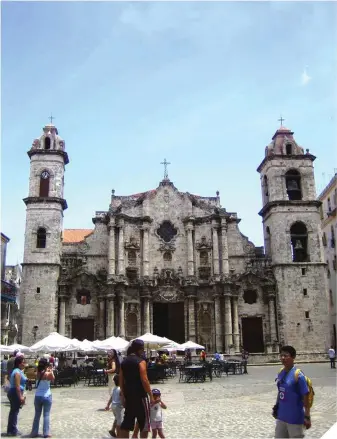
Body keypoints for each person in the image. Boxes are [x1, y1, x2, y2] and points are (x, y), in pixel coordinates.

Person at [119, 339, 154, 438]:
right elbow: (145, 380)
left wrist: (123, 394)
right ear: (141, 349)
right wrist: (151, 395)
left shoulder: (124, 361)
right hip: (141, 396)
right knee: (144, 424)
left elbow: (121, 379)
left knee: (127, 423)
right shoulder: (141, 361)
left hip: (129, 396)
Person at [273, 345, 311, 438]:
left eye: (286, 356)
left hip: (295, 418)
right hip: (281, 417)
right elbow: (280, 391)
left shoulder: (298, 375)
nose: (283, 358)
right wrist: (276, 406)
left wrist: (307, 416)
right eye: (281, 355)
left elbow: (305, 395)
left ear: (293, 357)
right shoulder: (280, 373)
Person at [31, 358, 55, 438]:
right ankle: (46, 433)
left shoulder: (37, 373)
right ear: (46, 365)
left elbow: (35, 371)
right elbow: (53, 378)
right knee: (46, 415)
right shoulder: (47, 374)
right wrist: (51, 370)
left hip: (37, 396)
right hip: (46, 395)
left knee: (37, 415)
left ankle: (34, 432)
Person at [7, 355, 27, 437]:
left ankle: (11, 429)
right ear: (19, 363)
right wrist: (21, 397)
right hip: (15, 392)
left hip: (13, 392)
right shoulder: (17, 372)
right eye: (23, 362)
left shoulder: (16, 370)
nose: (24, 363)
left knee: (13, 412)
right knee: (14, 412)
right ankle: (13, 430)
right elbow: (17, 386)